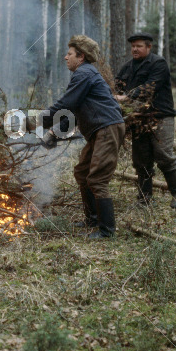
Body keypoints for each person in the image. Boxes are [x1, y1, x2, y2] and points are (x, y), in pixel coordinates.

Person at [44, 35, 126, 238]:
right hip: (101, 130)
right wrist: (55, 132)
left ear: (80, 57)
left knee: (97, 179)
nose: (65, 57)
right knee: (82, 172)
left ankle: (107, 231)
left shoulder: (84, 74)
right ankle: (93, 219)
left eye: (69, 54)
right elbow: (74, 112)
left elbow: (64, 105)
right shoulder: (86, 74)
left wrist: (37, 122)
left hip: (106, 129)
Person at [115, 32, 176, 208]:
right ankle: (144, 199)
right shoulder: (127, 67)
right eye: (133, 46)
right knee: (141, 158)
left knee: (163, 155)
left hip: (160, 117)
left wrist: (127, 97)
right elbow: (116, 86)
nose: (135, 49)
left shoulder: (158, 64)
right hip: (138, 119)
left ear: (149, 47)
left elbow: (150, 87)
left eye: (139, 46)